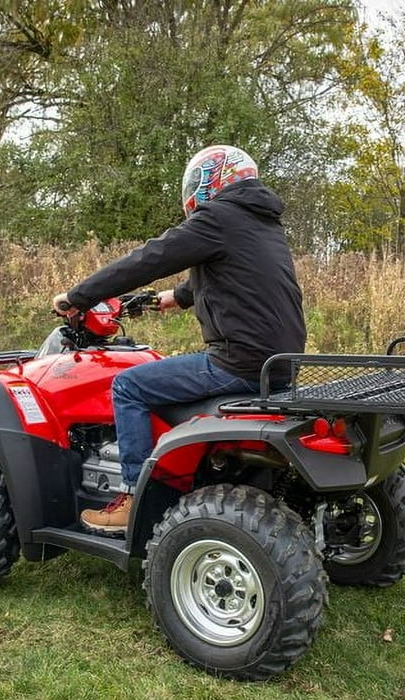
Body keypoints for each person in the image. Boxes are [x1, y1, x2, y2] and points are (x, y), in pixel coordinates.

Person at [52, 144, 306, 535]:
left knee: (129, 385)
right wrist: (177, 298)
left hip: (239, 361)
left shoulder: (218, 216)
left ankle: (134, 495)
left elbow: (150, 258)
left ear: (209, 180)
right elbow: (233, 272)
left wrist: (77, 297)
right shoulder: (261, 221)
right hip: (280, 363)